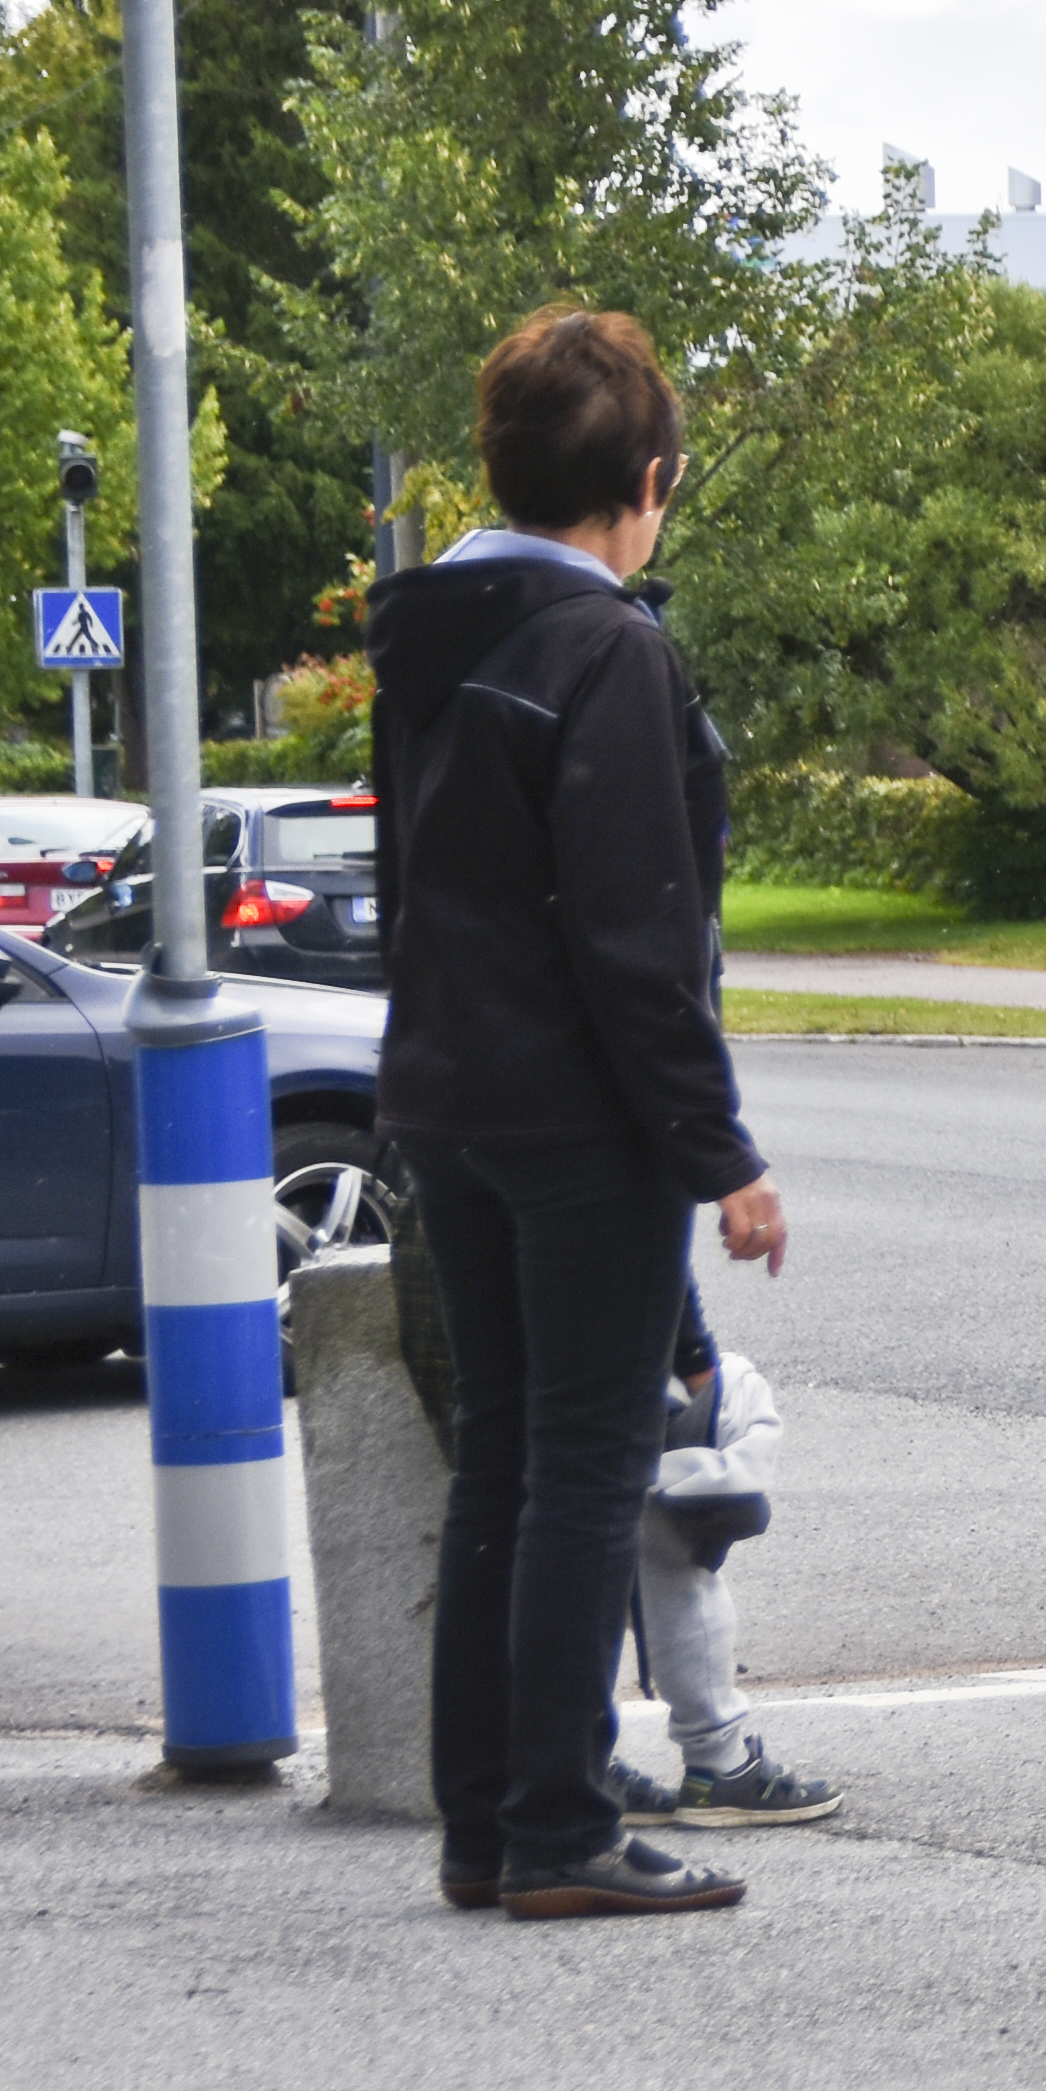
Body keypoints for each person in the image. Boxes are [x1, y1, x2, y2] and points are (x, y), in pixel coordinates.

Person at [371, 305, 783, 1921]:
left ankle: (482, 1819)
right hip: (575, 1118)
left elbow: (417, 888)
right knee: (589, 1465)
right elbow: (635, 935)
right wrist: (721, 1151)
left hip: (446, 1100)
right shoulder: (609, 647)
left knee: (502, 1465)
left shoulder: (429, 636)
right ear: (649, 480)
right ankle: (558, 1827)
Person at [594, 1275, 843, 1833]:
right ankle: (718, 1765)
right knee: (664, 1549)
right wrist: (697, 1361)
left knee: (524, 1535)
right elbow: (643, 1223)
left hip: (472, 1306)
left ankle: (570, 1763)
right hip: (596, 1343)